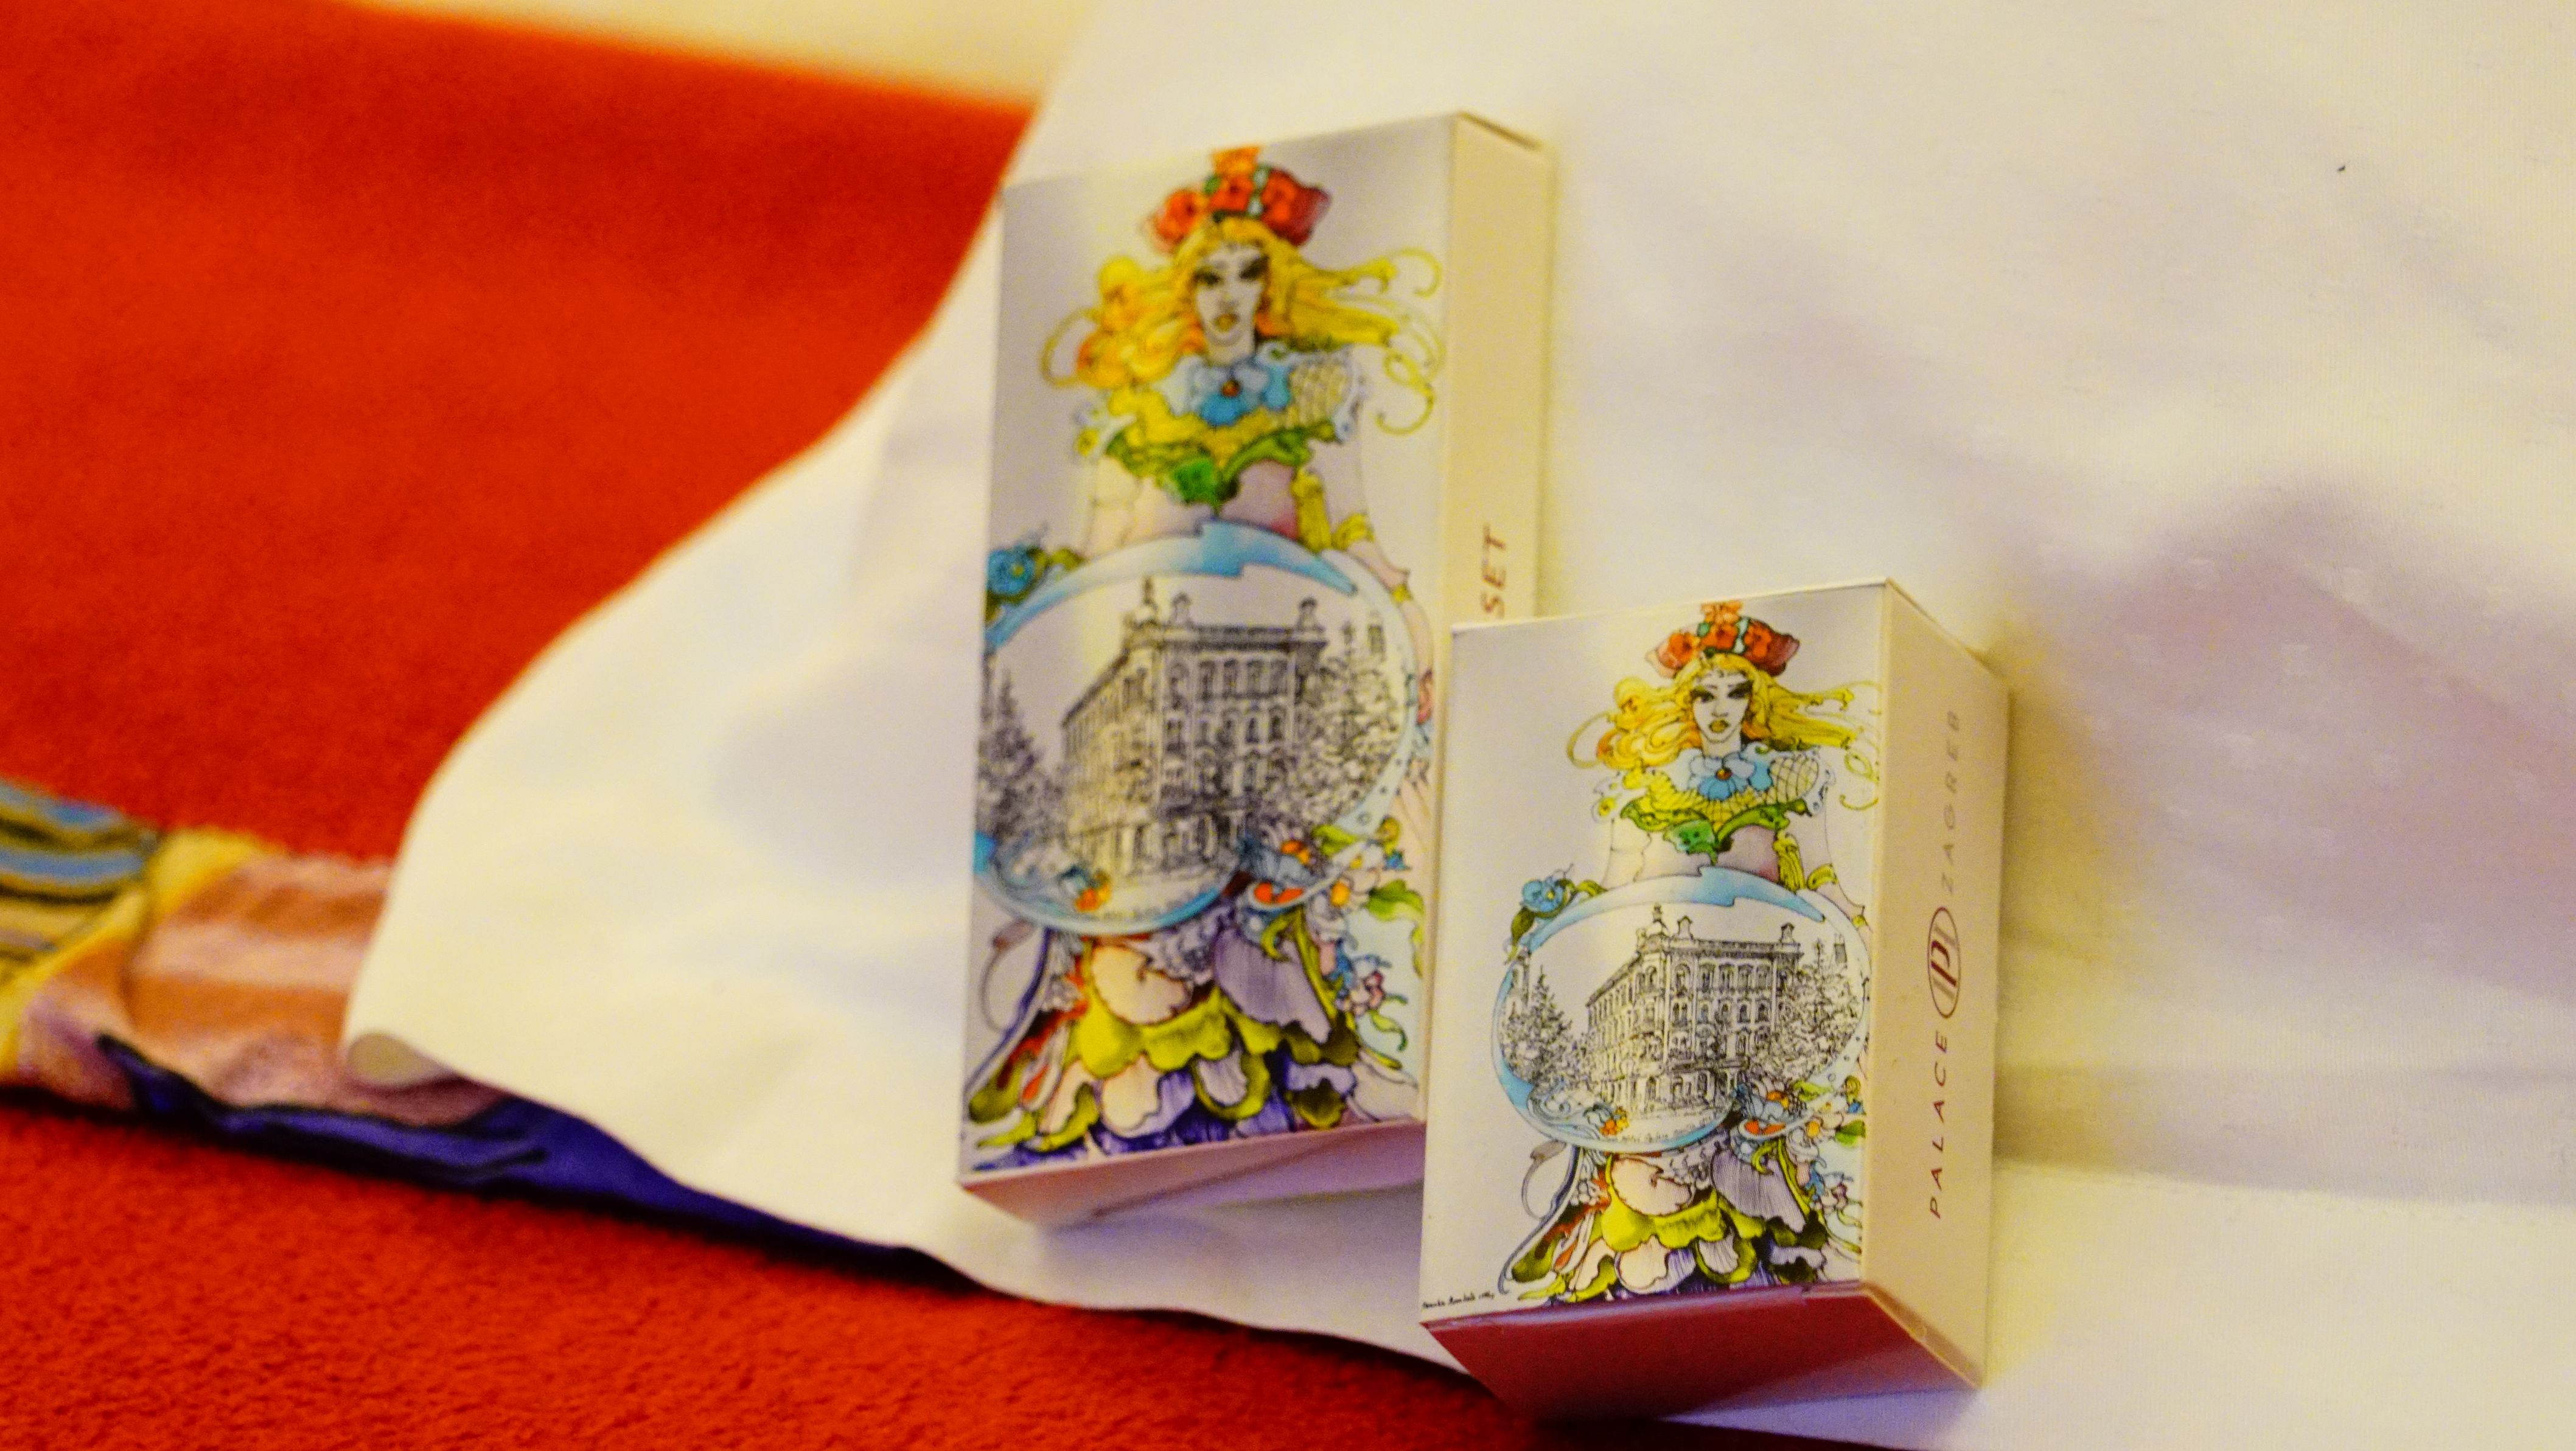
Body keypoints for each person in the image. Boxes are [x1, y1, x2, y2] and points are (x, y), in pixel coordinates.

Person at [1504, 604, 1877, 1303]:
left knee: (1766, 1162)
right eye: (1705, 694)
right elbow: (1610, 897)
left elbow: (1823, 881)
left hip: (1765, 1019)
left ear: (1755, 702)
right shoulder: (1645, 789)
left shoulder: (1794, 781)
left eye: (1735, 693)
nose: (1720, 708)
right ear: (1685, 704)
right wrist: (1549, 924)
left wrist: (1860, 933)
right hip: (1666, 1038)